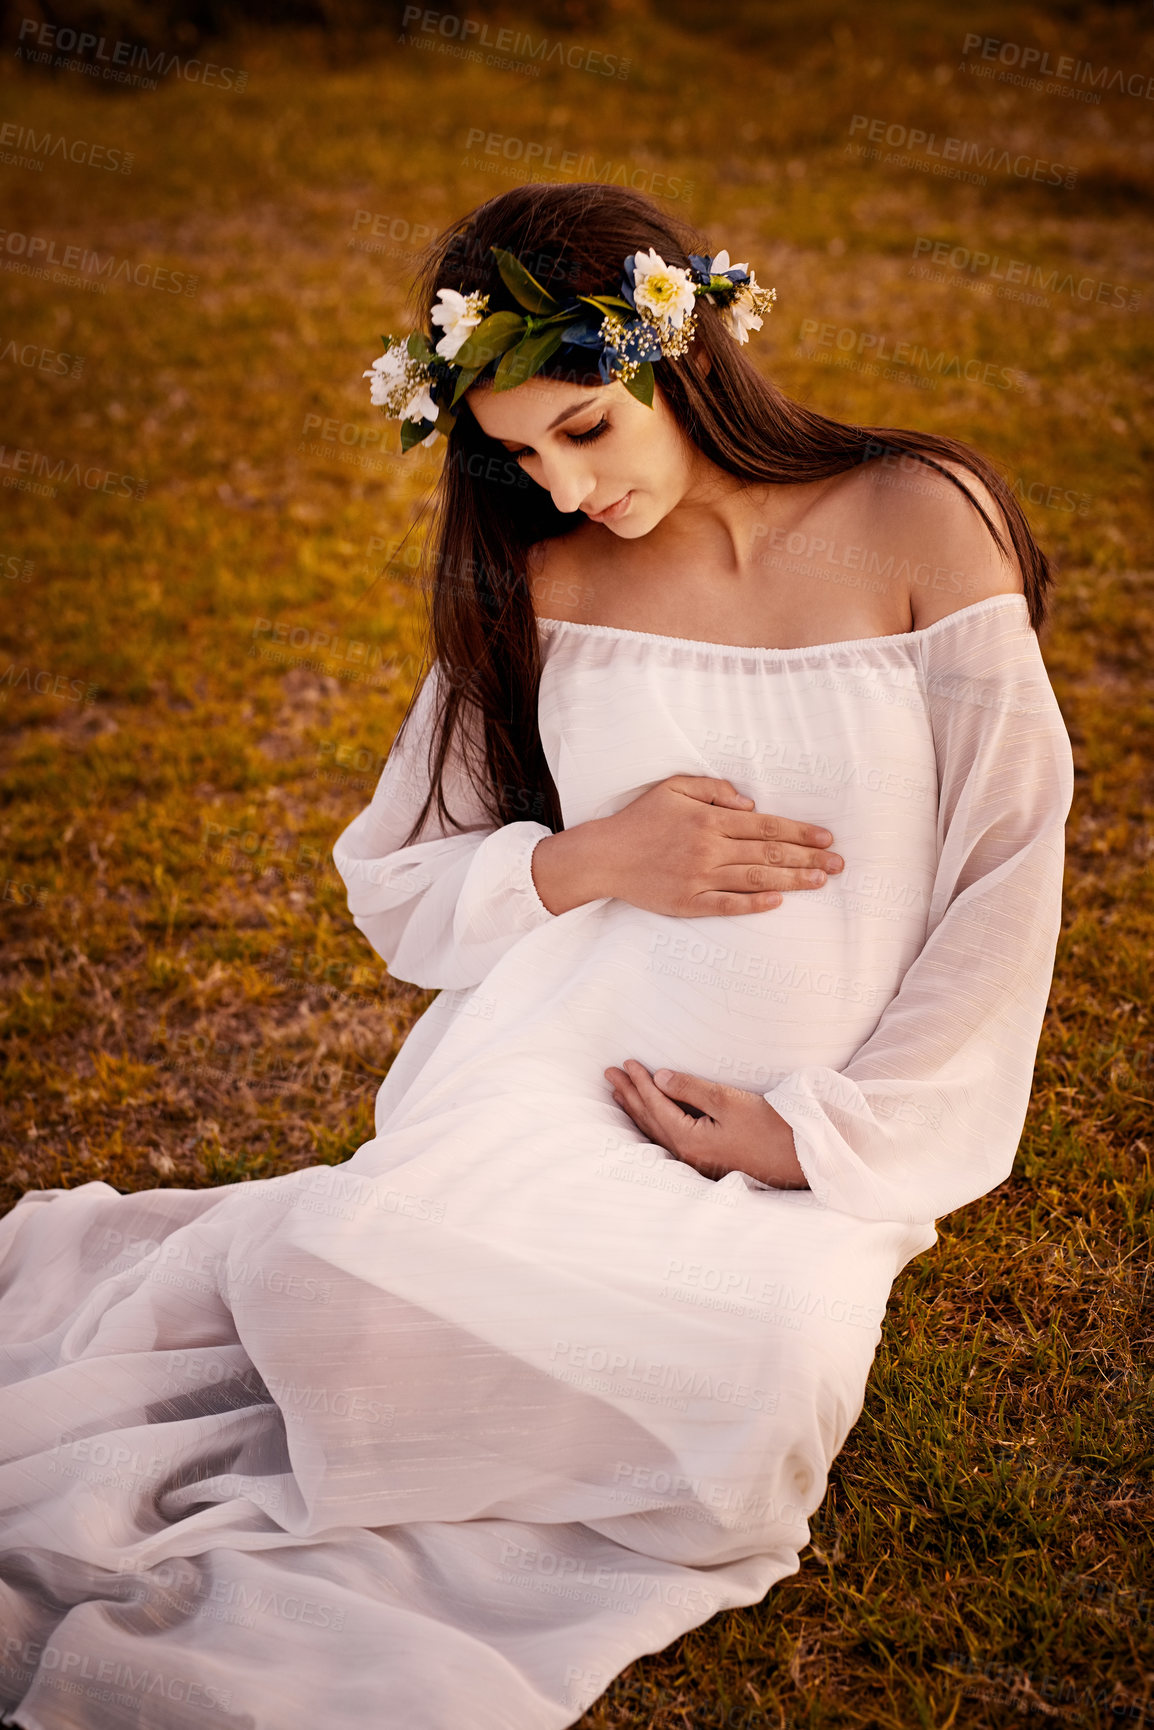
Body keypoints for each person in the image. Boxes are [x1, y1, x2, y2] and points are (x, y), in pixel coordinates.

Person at [0, 184, 1074, 1730]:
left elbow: (1001, 863)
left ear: (676, 347)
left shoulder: (915, 517)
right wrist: (594, 859)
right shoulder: (542, 579)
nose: (559, 486)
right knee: (337, 1290)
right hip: (564, 1069)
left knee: (753, 1386)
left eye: (581, 426)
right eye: (514, 453)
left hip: (797, 1116)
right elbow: (397, 885)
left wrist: (816, 1134)